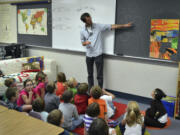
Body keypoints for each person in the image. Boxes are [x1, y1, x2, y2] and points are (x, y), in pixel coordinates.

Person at [80, 12, 132, 91]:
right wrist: (85, 43)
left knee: (99, 75)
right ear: (85, 22)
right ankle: (91, 91)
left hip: (98, 54)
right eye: (88, 20)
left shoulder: (98, 26)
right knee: (90, 75)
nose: (90, 21)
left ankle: (99, 91)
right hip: (89, 55)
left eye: (90, 18)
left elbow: (111, 26)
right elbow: (82, 42)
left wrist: (124, 25)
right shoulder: (82, 30)